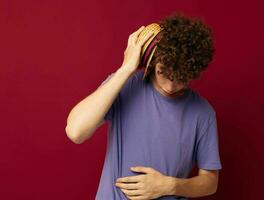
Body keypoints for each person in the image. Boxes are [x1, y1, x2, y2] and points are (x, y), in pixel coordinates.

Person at [65, 12, 222, 200]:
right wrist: (126, 69)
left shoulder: (203, 113)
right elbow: (76, 132)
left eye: (181, 79)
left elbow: (210, 182)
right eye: (164, 73)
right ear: (154, 61)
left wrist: (169, 185)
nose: (170, 86)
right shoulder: (125, 85)